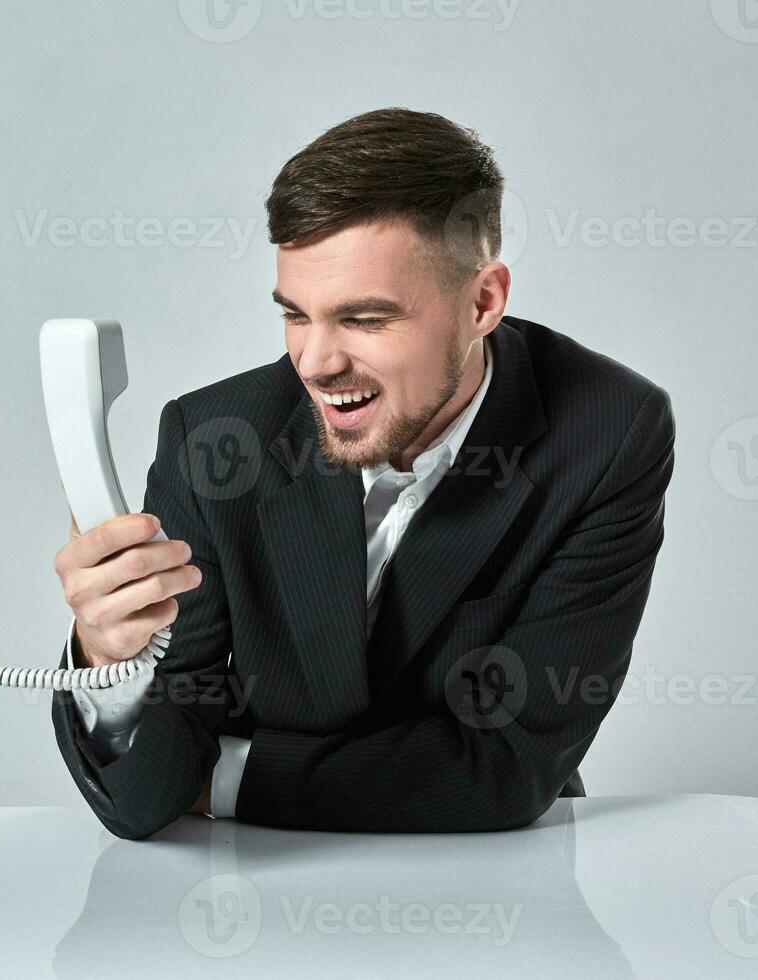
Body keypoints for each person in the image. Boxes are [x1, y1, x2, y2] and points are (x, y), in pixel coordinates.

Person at [50, 107, 676, 840]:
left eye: (365, 320)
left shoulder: (607, 432)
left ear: (483, 303)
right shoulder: (216, 439)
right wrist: (108, 656)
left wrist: (224, 776)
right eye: (296, 315)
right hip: (252, 910)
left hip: (490, 900)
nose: (315, 364)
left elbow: (505, 769)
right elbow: (142, 798)